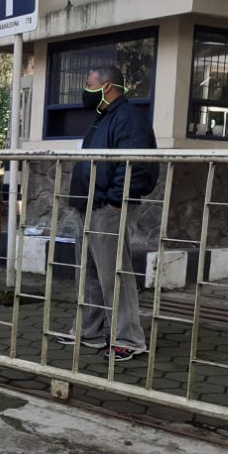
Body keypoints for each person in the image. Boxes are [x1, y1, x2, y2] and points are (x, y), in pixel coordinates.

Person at [59, 65, 159, 362]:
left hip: (107, 207)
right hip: (89, 205)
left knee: (114, 274)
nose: (85, 90)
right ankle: (89, 331)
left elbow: (137, 163)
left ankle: (127, 338)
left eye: (89, 84)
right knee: (90, 273)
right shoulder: (103, 118)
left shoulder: (129, 118)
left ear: (107, 87)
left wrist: (116, 200)